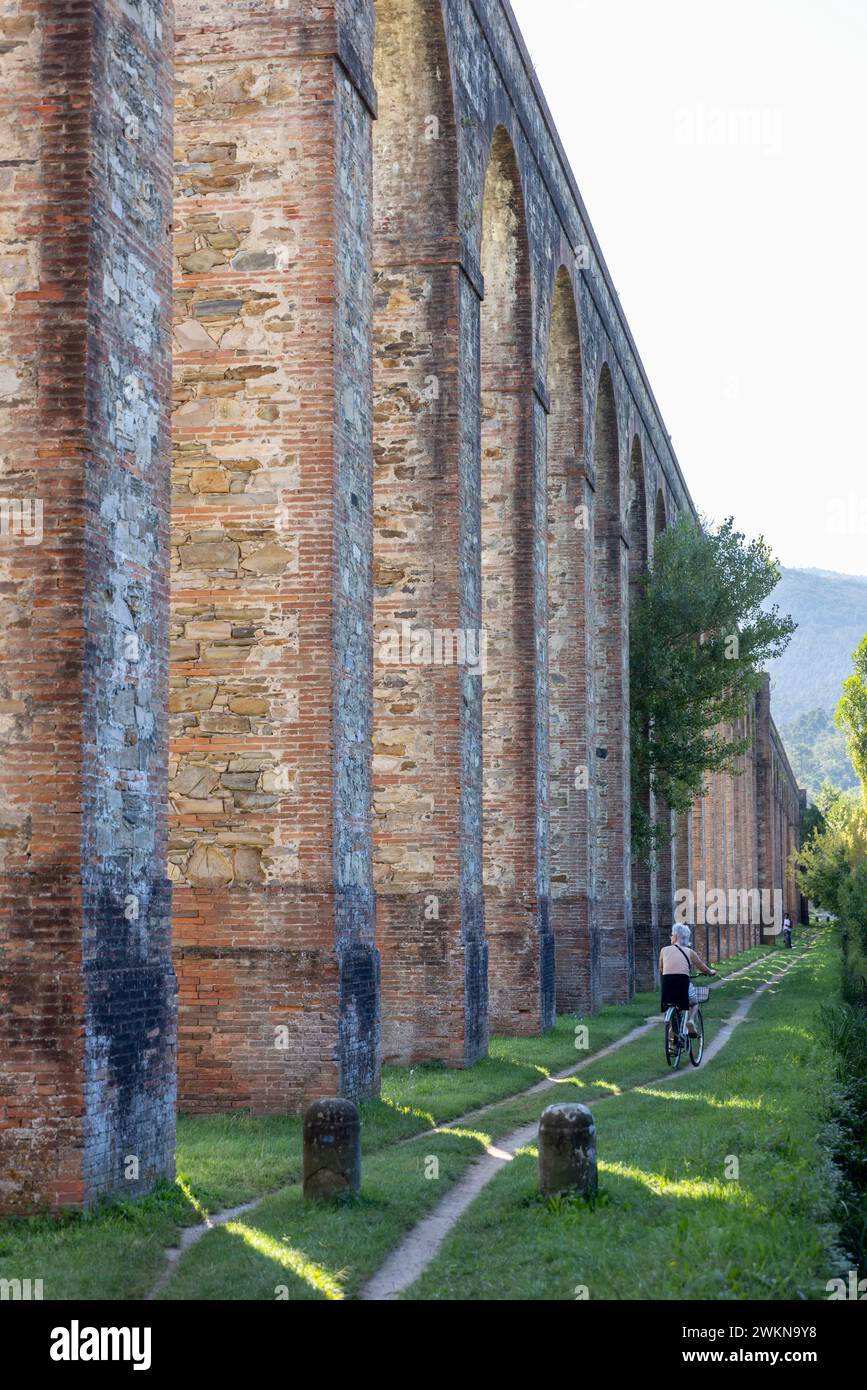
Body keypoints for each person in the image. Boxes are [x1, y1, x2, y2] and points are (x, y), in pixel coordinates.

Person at [660, 924, 716, 1036]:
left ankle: (671, 1041)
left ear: (675, 936)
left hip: (667, 985)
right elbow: (702, 967)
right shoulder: (690, 952)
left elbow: (661, 968)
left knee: (669, 1009)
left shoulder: (664, 950)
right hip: (683, 983)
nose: (670, 937)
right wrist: (711, 972)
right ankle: (690, 1021)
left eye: (671, 935)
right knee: (694, 1003)